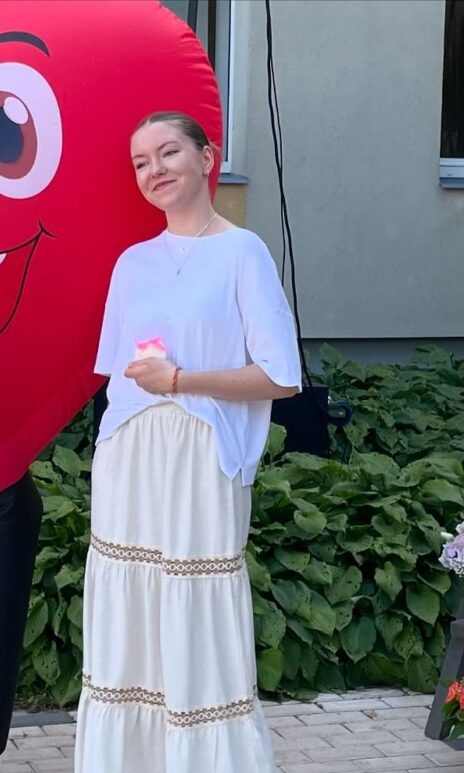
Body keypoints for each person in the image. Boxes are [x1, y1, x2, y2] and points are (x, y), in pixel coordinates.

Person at [75, 111, 302, 772]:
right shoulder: (132, 263)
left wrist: (180, 379)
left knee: (196, 609)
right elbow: (118, 376)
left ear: (207, 157)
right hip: (130, 458)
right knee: (129, 615)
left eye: (168, 152)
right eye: (141, 162)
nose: (155, 170)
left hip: (202, 461)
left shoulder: (243, 253)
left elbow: (281, 376)